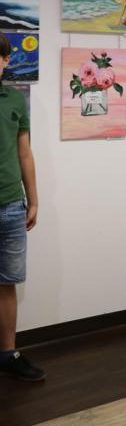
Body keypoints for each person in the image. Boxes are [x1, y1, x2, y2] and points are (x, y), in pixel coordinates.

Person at [0, 32, 45, 381]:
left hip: (11, 206)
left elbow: (24, 153)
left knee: (7, 284)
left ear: (5, 61)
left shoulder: (15, 99)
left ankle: (8, 353)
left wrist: (33, 199)